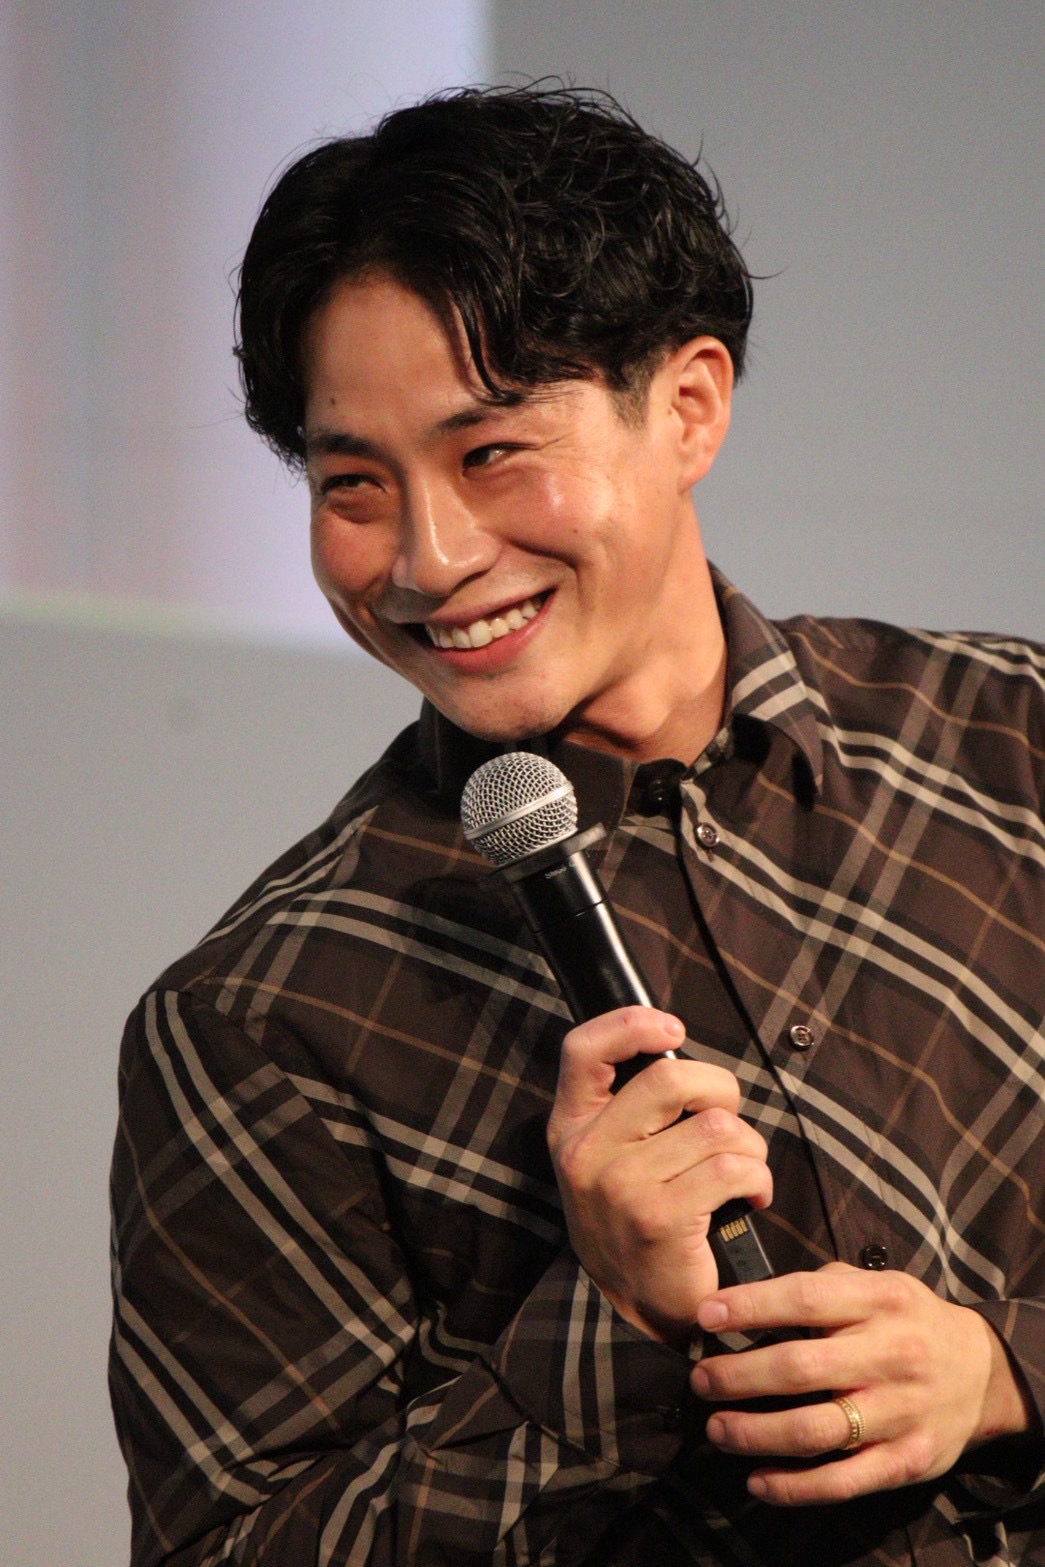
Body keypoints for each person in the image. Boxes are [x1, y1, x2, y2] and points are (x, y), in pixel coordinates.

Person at [108, 85, 1045, 1565]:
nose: (427, 559)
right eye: (353, 484)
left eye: (489, 453)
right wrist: (599, 1328)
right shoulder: (260, 1014)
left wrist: (1001, 1374)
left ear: (689, 406)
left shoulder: (1010, 739)